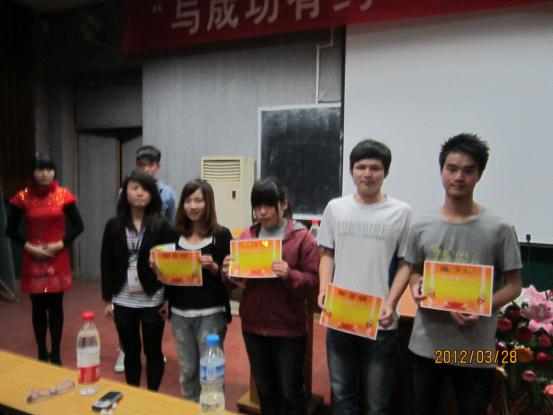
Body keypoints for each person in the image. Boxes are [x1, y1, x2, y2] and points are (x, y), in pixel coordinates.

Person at [404, 133, 522, 415]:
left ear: (479, 175)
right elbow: (413, 271)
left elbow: (514, 285)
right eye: (452, 169)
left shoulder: (500, 229)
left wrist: (481, 306)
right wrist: (415, 285)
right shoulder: (422, 225)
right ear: (441, 171)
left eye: (468, 170)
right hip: (427, 344)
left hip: (474, 348)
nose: (459, 177)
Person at [317, 139, 412, 415]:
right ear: (351, 171)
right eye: (361, 167)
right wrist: (323, 289)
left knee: (377, 404)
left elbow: (406, 263)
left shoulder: (401, 212)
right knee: (341, 396)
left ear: (386, 172)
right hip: (341, 316)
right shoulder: (335, 208)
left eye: (375, 168)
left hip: (379, 320)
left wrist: (391, 303)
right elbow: (327, 254)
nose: (367, 174)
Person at [222, 177, 319, 415]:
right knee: (265, 389)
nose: (262, 212)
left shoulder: (302, 237)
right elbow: (231, 282)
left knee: (291, 392)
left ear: (283, 204)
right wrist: (229, 272)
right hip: (254, 326)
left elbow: (312, 283)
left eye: (268, 205)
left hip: (288, 329)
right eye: (257, 206)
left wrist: (289, 274)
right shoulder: (247, 236)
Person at [6, 154, 84, 365]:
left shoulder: (63, 195)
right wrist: (30, 247)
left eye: (49, 169)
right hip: (33, 258)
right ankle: (41, 351)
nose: (45, 174)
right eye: (40, 169)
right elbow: (10, 230)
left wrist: (60, 244)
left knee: (56, 307)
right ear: (33, 172)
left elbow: (79, 226)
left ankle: (56, 353)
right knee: (38, 308)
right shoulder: (22, 197)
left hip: (57, 257)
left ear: (54, 172)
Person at [101, 170, 175, 390]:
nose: (140, 193)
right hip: (122, 298)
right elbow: (106, 262)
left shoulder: (162, 226)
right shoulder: (114, 225)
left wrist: (168, 299)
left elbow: (171, 266)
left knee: (153, 352)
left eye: (145, 189)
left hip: (153, 297)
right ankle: (134, 394)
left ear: (152, 194)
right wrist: (107, 299)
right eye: (134, 188)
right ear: (125, 193)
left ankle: (152, 396)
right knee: (130, 351)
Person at [160, 179, 232, 402]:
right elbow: (169, 275)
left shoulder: (221, 235)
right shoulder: (174, 235)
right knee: (188, 370)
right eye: (188, 200)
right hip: (180, 315)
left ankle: (213, 408)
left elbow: (232, 278)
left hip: (211, 314)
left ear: (208, 203)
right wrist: (159, 267)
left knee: (211, 372)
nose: (193, 206)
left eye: (198, 200)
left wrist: (215, 268)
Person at [113, 144, 177, 373]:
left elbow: (172, 226)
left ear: (157, 166)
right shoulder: (125, 191)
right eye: (141, 165)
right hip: (130, 258)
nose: (145, 169)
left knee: (153, 312)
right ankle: (125, 350)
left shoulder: (168, 193)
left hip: (155, 260)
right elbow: (120, 220)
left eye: (150, 165)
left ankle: (153, 351)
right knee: (125, 312)